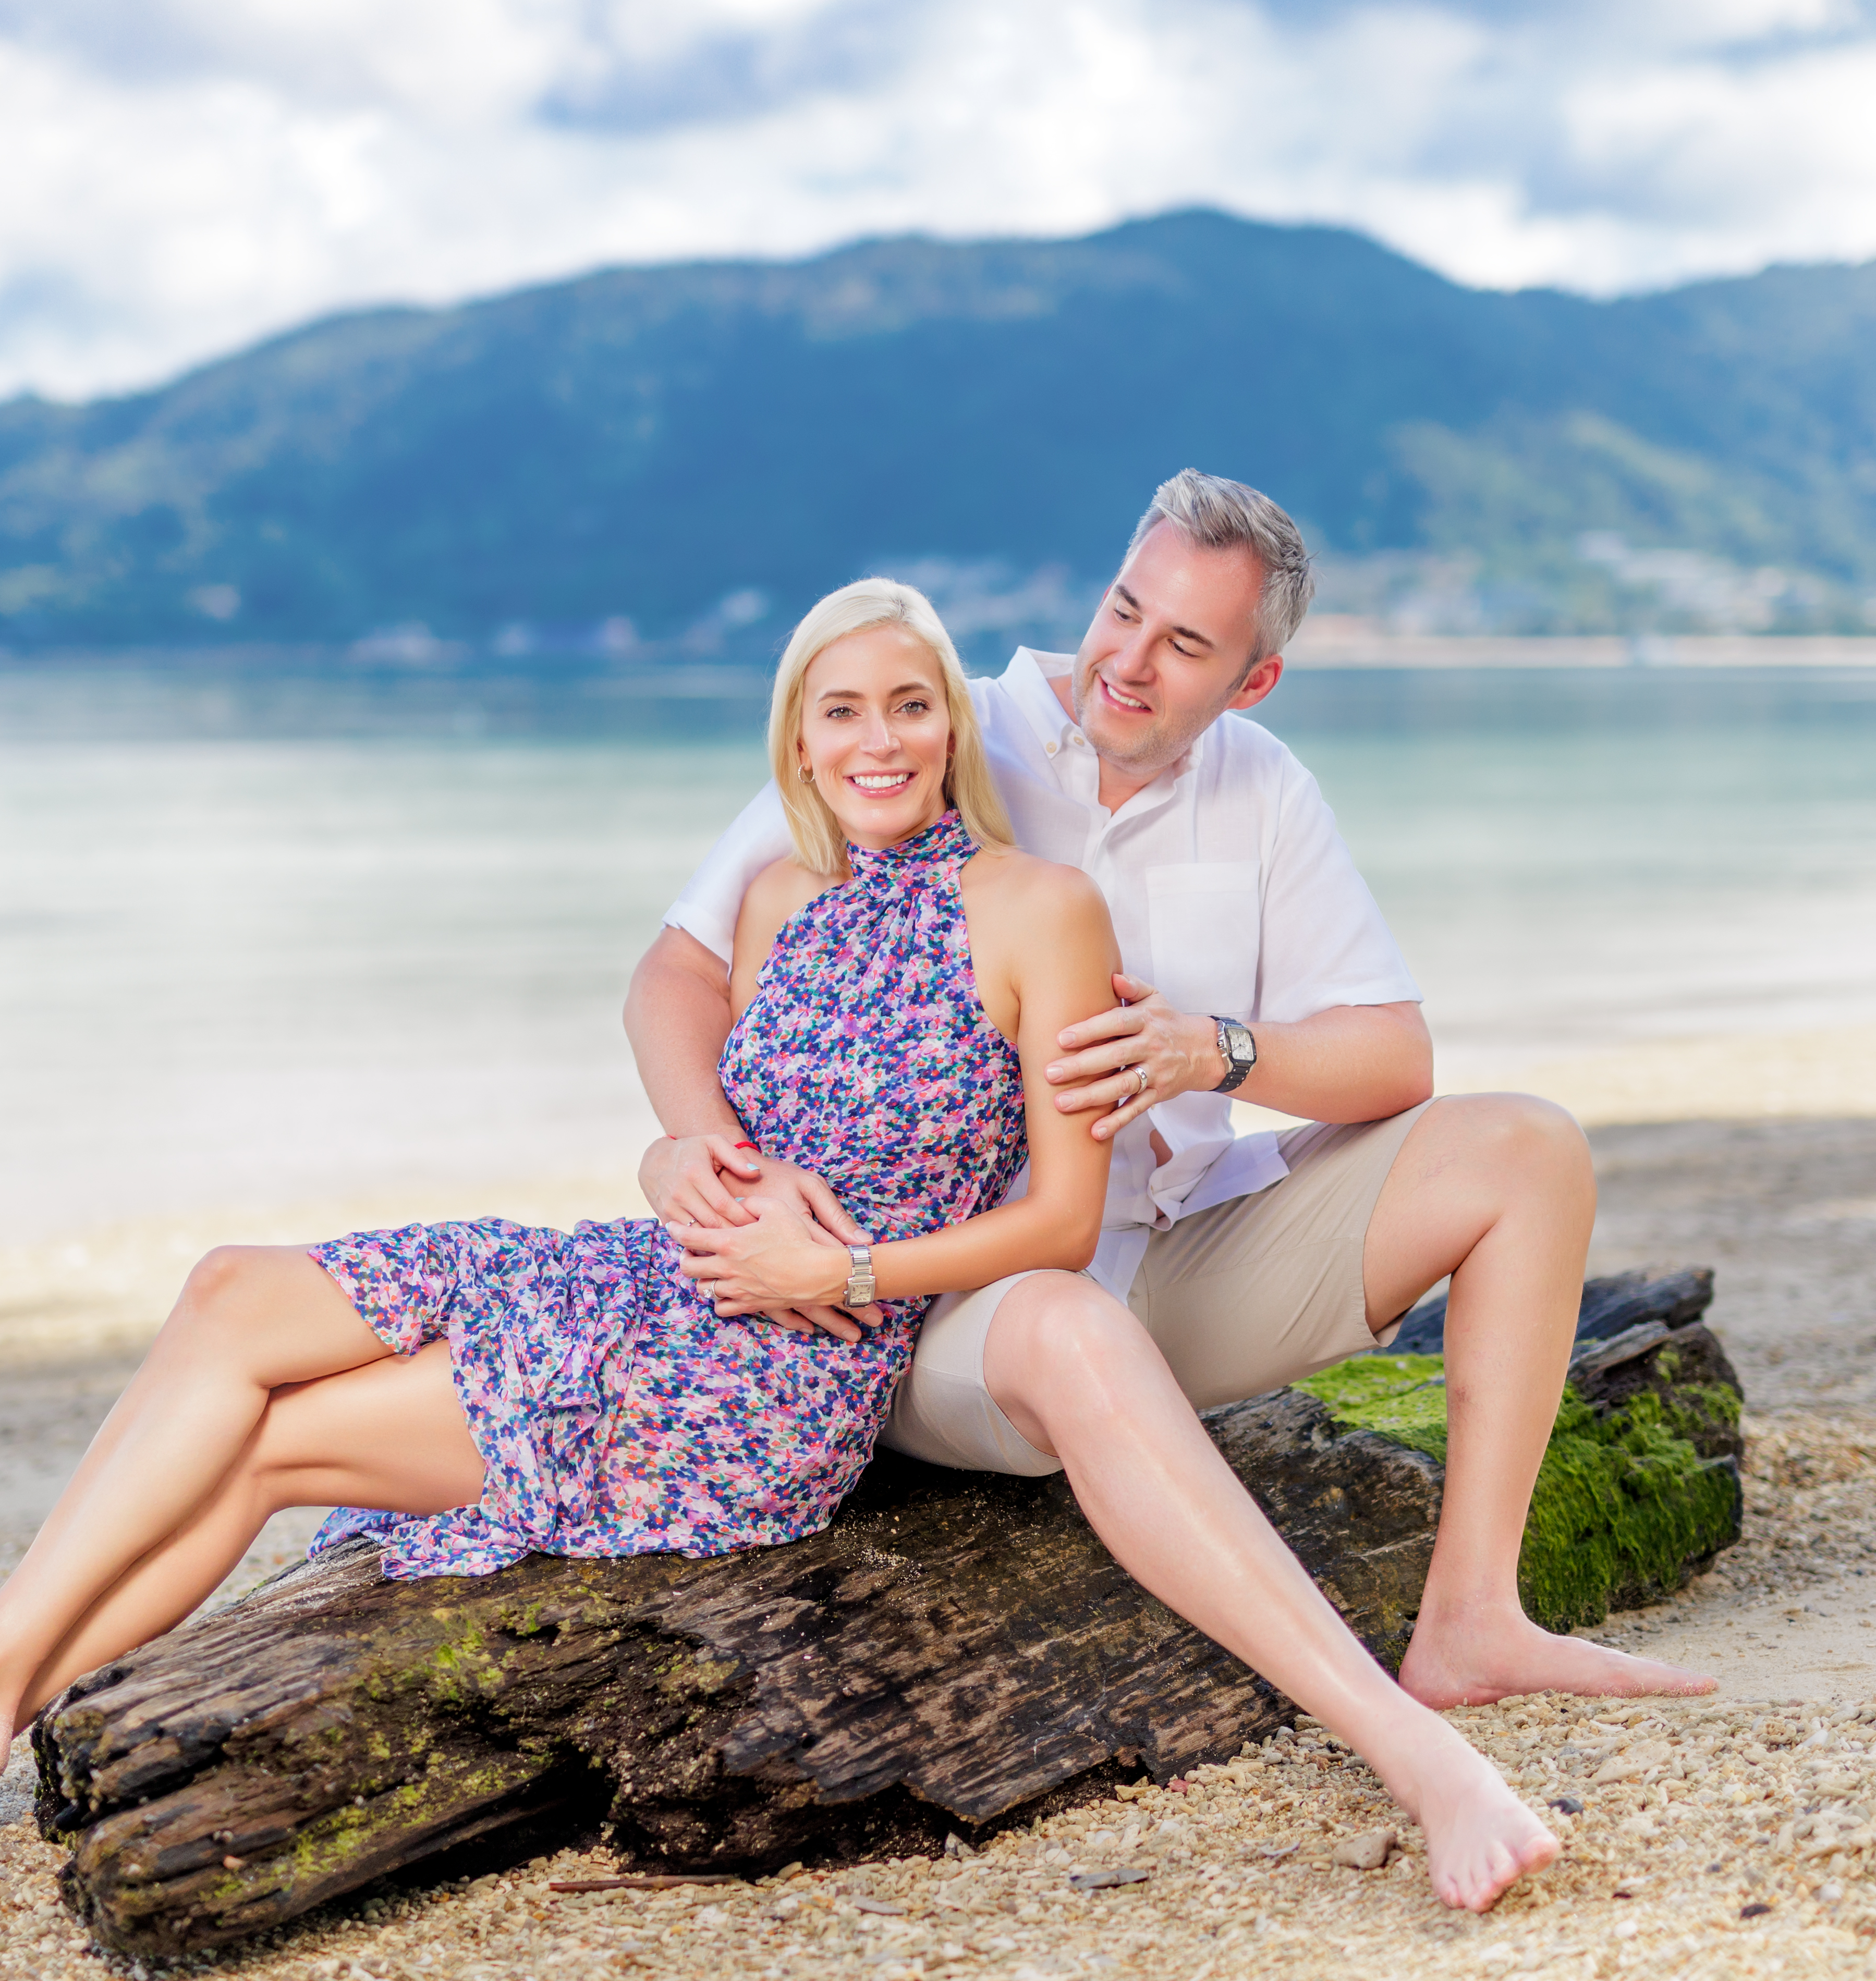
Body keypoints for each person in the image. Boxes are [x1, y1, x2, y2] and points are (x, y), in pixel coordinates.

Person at [0, 578, 1557, 1911]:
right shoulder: (767, 895)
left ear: (955, 728)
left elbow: (1057, 1222)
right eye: (844, 708)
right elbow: (701, 1063)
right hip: (649, 1283)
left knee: (267, 1437)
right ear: (797, 742)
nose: (883, 736)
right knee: (228, 1298)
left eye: (914, 703)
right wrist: (689, 1156)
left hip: (773, 1366)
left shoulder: (1038, 906)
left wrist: (837, 1277)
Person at [627, 471, 1714, 1717]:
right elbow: (677, 969)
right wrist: (708, 1156)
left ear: (1250, 680)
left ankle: (1472, 1620)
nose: (1127, 661)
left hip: (1169, 1258)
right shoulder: (912, 729)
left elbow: (1392, 1056)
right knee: (1055, 1316)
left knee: (1525, 1147)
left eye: (1184, 642)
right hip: (935, 1306)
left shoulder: (1262, 787)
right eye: (1123, 608)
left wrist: (1216, 1050)